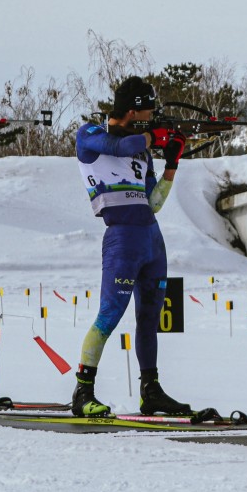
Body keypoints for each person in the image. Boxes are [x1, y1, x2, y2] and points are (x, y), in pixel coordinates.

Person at [72, 76, 191, 417]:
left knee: (149, 318)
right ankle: (83, 392)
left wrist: (171, 164)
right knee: (110, 314)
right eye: (148, 112)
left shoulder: (142, 150)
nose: (152, 118)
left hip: (151, 238)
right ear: (133, 111)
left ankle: (150, 390)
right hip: (122, 237)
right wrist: (156, 137)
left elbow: (152, 203)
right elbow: (120, 147)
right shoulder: (90, 135)